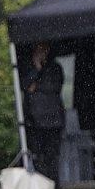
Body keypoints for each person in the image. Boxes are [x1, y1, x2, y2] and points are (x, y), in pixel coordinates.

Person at [20, 42, 65, 181]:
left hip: (53, 120)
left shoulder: (55, 67)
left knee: (52, 157)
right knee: (37, 157)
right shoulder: (27, 67)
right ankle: (41, 183)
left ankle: (53, 185)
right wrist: (37, 69)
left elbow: (54, 87)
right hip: (34, 121)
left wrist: (36, 87)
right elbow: (25, 85)